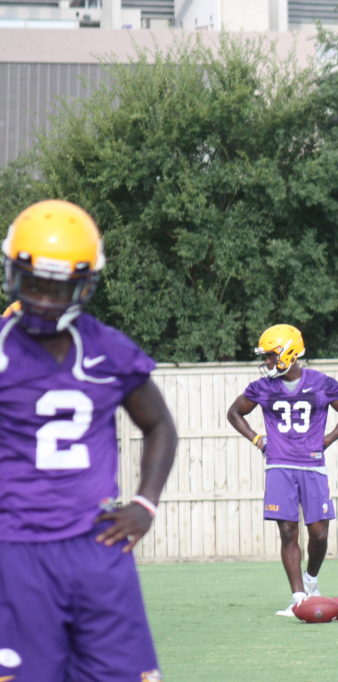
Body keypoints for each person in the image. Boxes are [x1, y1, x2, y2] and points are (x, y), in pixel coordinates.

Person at [0, 199, 178, 681]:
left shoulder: (110, 351)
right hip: (15, 551)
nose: (43, 299)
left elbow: (159, 424)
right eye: (34, 282)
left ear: (84, 285)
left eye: (59, 287)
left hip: (96, 547)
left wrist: (146, 502)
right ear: (14, 274)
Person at [227, 324, 338, 617]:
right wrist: (258, 440)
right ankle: (298, 597)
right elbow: (234, 412)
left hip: (312, 465)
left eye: (272, 356)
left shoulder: (322, 383)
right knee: (287, 531)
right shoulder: (261, 388)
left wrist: (327, 440)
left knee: (320, 533)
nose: (267, 362)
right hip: (279, 465)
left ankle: (311, 581)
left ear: (290, 353)